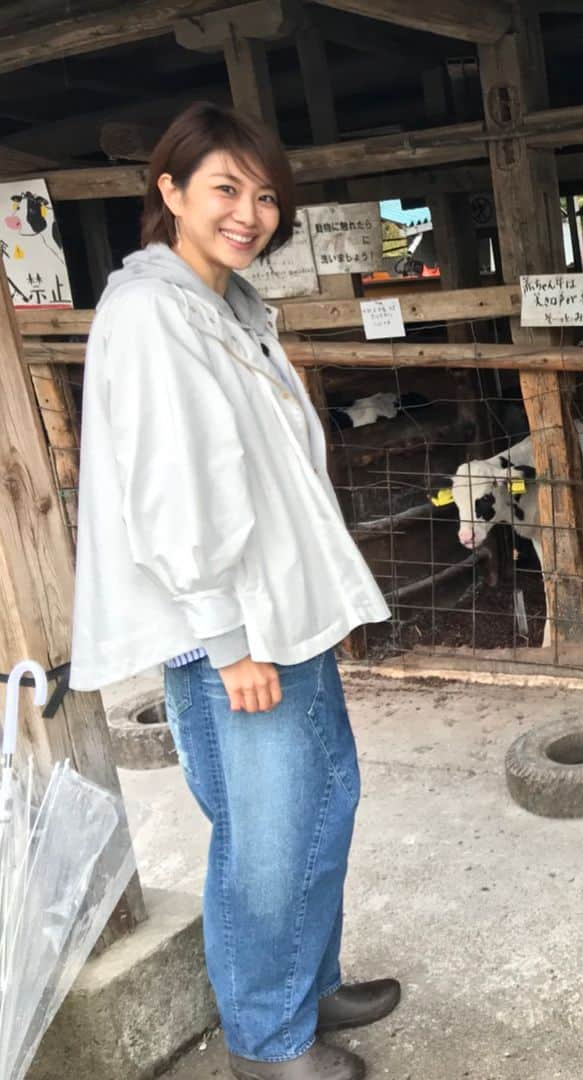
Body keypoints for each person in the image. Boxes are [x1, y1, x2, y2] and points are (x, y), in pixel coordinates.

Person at [69, 102, 398, 1080]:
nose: (249, 213)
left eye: (264, 196)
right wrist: (229, 640)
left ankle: (306, 983)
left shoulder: (227, 307)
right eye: (225, 188)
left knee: (321, 803)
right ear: (168, 190)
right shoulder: (154, 314)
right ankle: (268, 1040)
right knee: (268, 841)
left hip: (278, 613)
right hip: (240, 627)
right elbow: (173, 491)